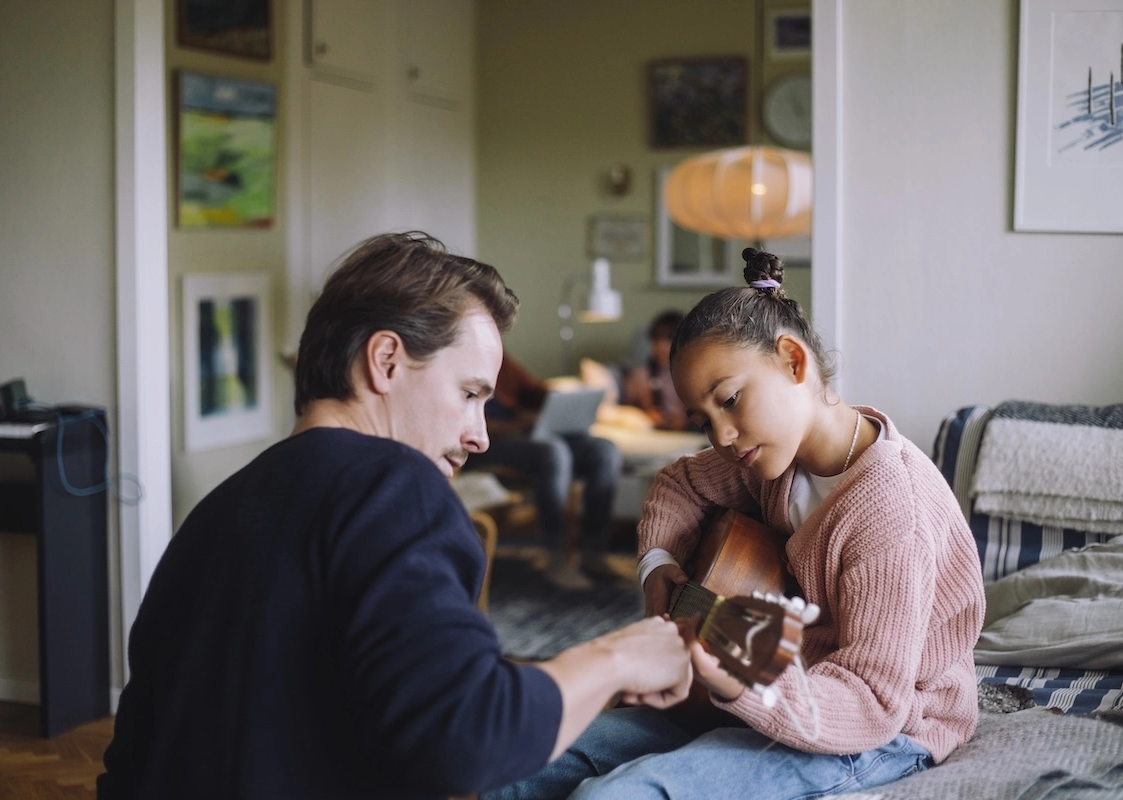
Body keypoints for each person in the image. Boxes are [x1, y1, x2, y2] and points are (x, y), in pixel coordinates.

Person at [96, 232, 693, 800]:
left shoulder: (216, 511)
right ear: (384, 361)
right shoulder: (394, 485)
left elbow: (131, 759)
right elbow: (470, 736)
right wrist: (620, 657)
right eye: (468, 394)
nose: (479, 436)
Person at [485, 248, 987, 800]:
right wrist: (658, 566)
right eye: (704, 420)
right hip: (775, 688)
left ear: (794, 363)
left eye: (730, 400)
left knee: (613, 796)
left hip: (882, 731)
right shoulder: (773, 459)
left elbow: (872, 700)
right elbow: (677, 484)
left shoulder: (892, 513)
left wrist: (739, 680)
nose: (721, 436)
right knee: (521, 761)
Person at [464, 352, 623, 591]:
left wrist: (557, 405)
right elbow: (464, 417)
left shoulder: (498, 358)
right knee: (553, 451)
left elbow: (535, 389)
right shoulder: (457, 359)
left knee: (604, 449)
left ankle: (593, 551)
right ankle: (555, 556)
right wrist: (518, 424)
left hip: (525, 435)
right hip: (486, 442)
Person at [622, 309, 689, 431]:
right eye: (656, 339)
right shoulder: (641, 375)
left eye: (668, 339)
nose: (660, 346)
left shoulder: (691, 376)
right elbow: (627, 411)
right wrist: (646, 414)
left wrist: (686, 422)